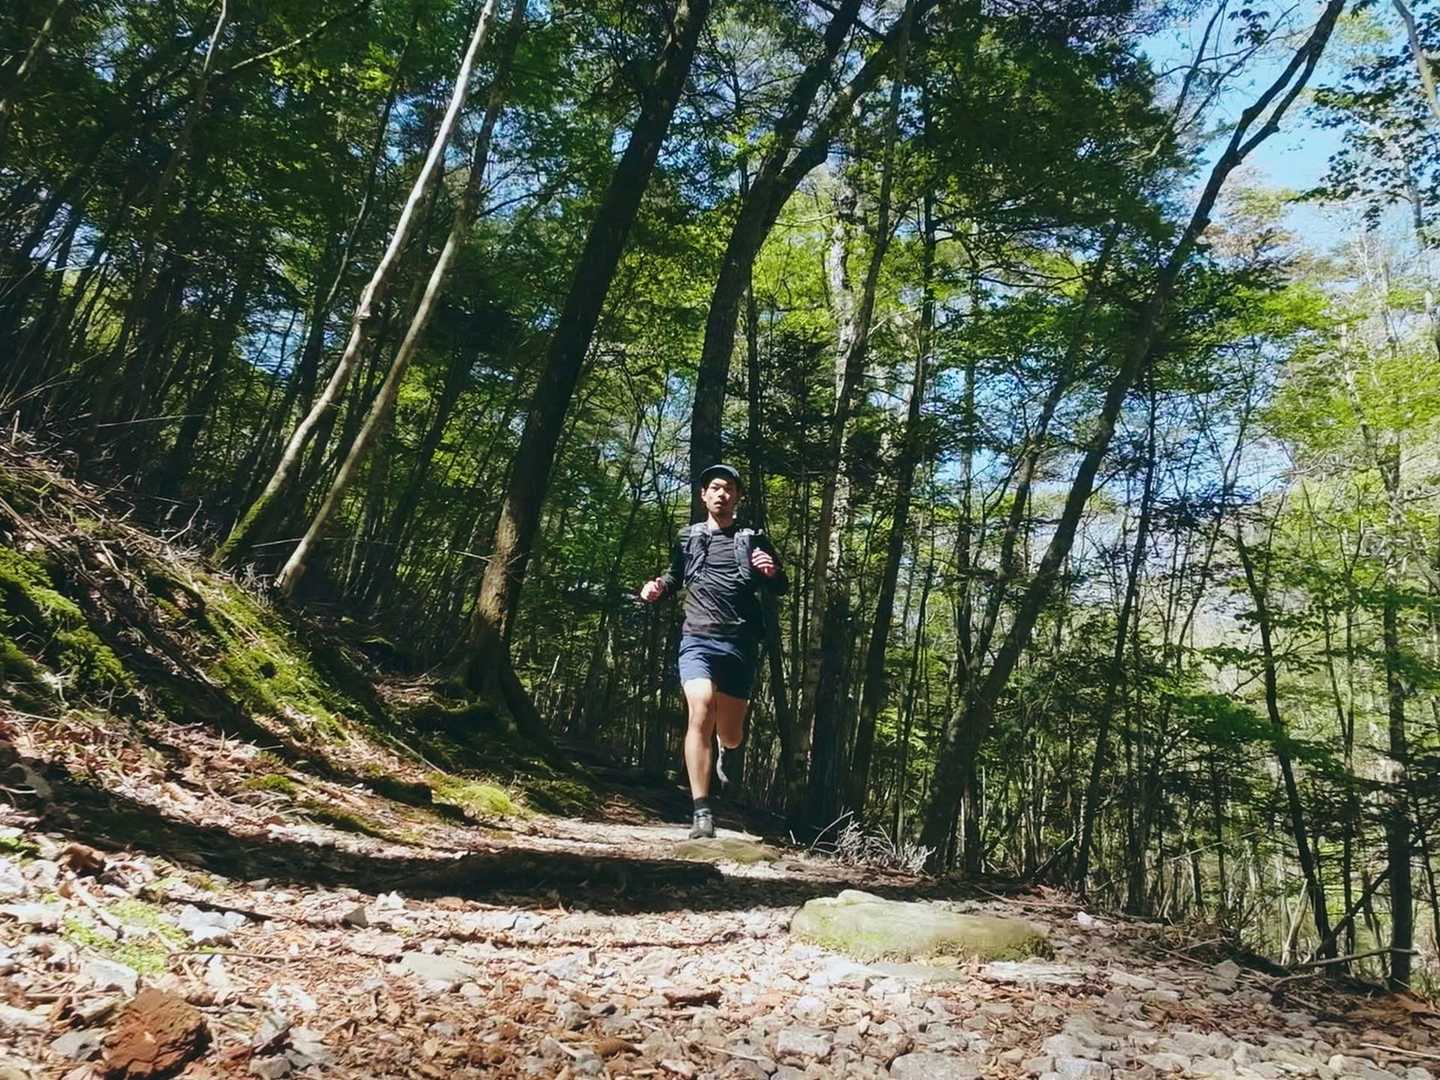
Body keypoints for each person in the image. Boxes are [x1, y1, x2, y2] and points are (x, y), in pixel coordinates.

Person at [639, 463, 787, 838]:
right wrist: (657, 588)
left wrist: (770, 571)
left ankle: (726, 747)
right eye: (716, 488)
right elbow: (675, 576)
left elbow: (780, 584)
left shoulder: (752, 538)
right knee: (701, 707)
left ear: (738, 497)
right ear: (703, 495)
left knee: (732, 734)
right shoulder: (688, 537)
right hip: (698, 638)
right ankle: (701, 812)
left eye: (729, 489)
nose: (722, 494)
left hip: (740, 642)